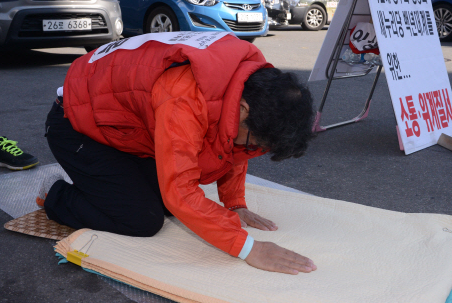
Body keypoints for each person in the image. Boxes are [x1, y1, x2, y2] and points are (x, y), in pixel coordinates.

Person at [39, 32, 317, 275]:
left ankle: (103, 184)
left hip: (126, 129)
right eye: (256, 142)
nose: (253, 150)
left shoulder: (252, 85)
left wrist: (234, 203)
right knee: (142, 219)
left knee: (168, 205)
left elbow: (232, 147)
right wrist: (248, 248)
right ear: (243, 110)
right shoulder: (185, 97)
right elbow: (181, 190)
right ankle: (55, 194)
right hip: (77, 124)